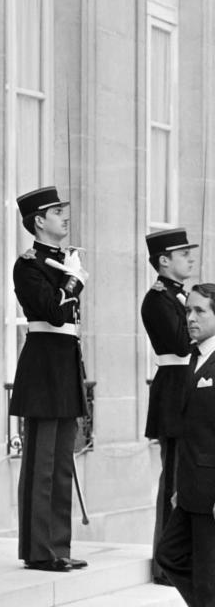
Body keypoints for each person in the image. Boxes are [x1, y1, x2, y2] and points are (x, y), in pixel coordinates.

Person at [10, 186, 89, 572]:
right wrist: (73, 282)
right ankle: (39, 550)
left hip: (64, 364)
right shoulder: (28, 265)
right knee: (41, 464)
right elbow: (54, 313)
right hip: (42, 367)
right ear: (39, 221)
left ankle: (57, 546)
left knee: (60, 464)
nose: (64, 216)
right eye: (57, 211)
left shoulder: (62, 261)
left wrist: (70, 276)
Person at [141, 228, 197, 585]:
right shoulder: (158, 298)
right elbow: (180, 343)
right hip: (173, 394)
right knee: (173, 483)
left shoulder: (182, 296)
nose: (190, 259)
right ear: (164, 261)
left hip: (188, 391)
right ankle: (166, 561)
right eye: (183, 254)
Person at [156, 283, 215, 604]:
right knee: (169, 555)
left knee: (208, 577)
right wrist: (180, 485)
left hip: (211, 493)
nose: (190, 317)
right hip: (191, 488)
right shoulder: (194, 358)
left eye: (199, 311)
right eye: (187, 310)